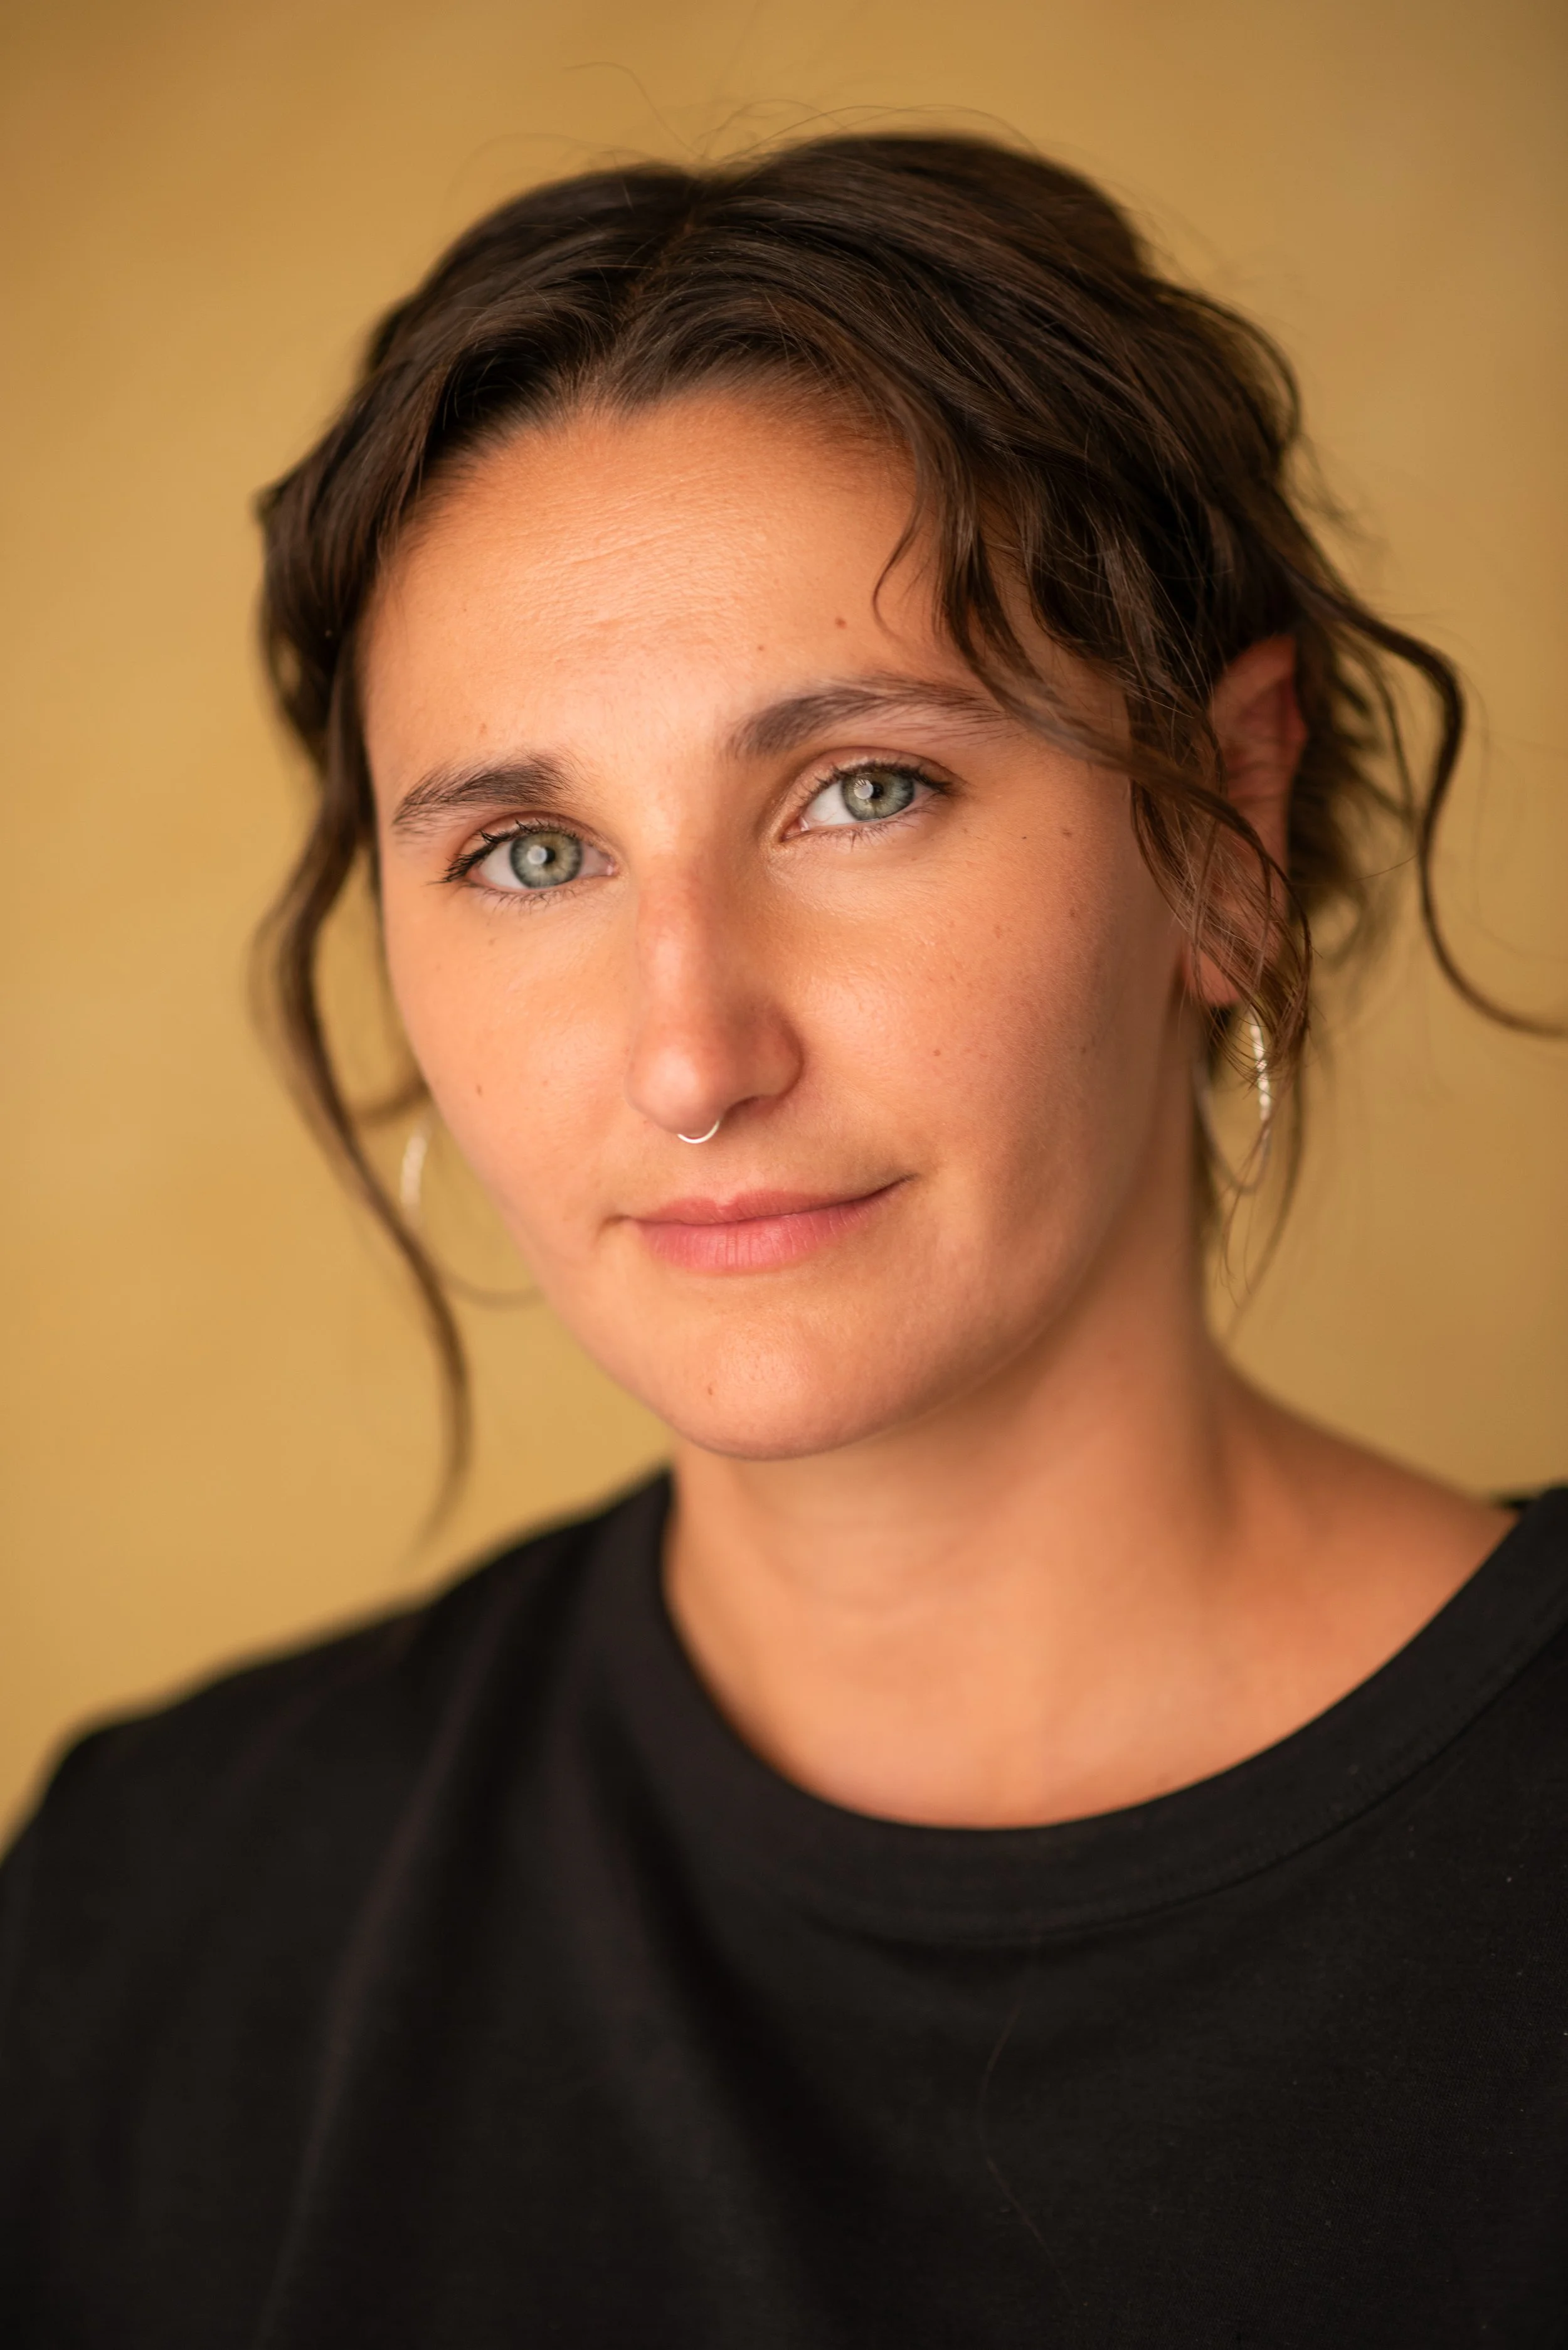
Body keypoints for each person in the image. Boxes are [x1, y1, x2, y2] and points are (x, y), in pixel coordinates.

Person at [1, 133, 1562, 2348]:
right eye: (531, 853)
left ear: (1221, 821)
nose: (689, 1055)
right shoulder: (161, 1918)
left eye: (860, 792)